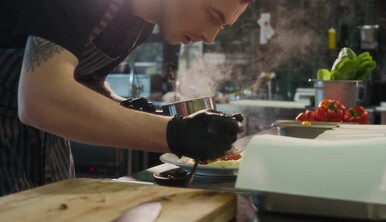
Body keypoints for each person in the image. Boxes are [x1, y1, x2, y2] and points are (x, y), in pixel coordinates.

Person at [0, 0, 251, 196]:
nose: (210, 37)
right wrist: (175, 133)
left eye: (222, 26)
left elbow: (83, 81)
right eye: (213, 15)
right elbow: (39, 98)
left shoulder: (140, 25)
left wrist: (136, 111)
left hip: (47, 139)